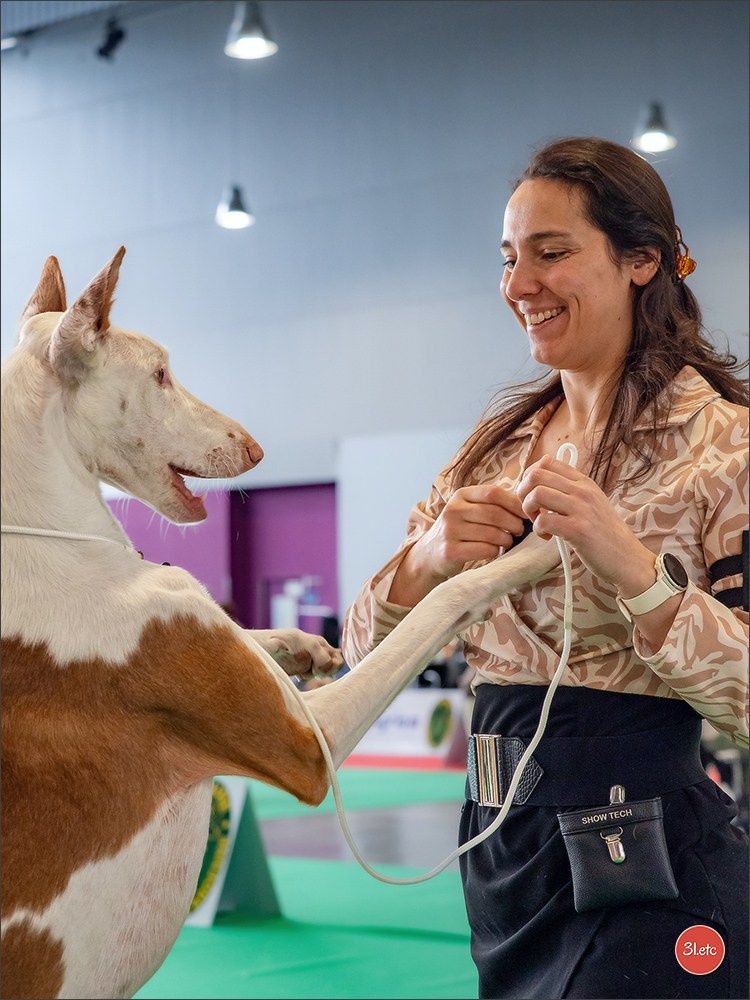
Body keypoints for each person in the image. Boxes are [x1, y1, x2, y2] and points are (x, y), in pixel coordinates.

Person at [342, 137, 749, 999]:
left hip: (648, 855)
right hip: (501, 856)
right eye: (508, 258)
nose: (518, 285)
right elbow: (361, 653)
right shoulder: (488, 453)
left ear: (641, 261)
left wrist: (635, 568)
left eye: (551, 253)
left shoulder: (725, 449)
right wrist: (428, 559)